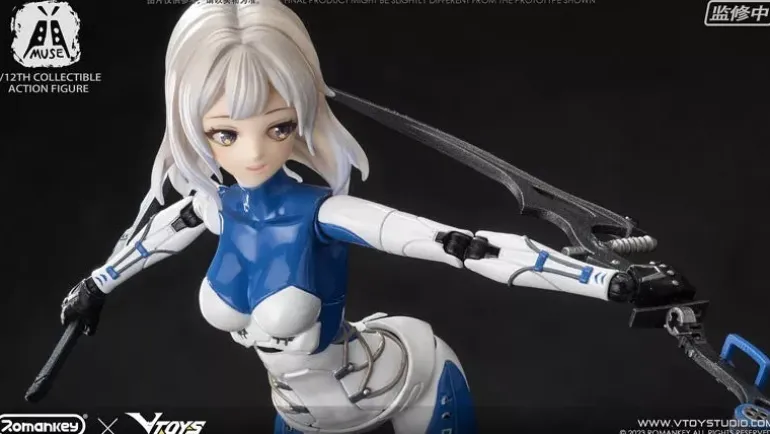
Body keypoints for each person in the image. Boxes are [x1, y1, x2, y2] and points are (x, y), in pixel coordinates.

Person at [60, 2, 677, 433]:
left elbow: (460, 246)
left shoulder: (326, 213)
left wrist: (610, 282)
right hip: (300, 413)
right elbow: (148, 242)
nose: (252, 153)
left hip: (403, 382)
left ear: (302, 115)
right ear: (193, 126)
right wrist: (92, 287)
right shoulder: (210, 209)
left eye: (278, 126)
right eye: (225, 133)